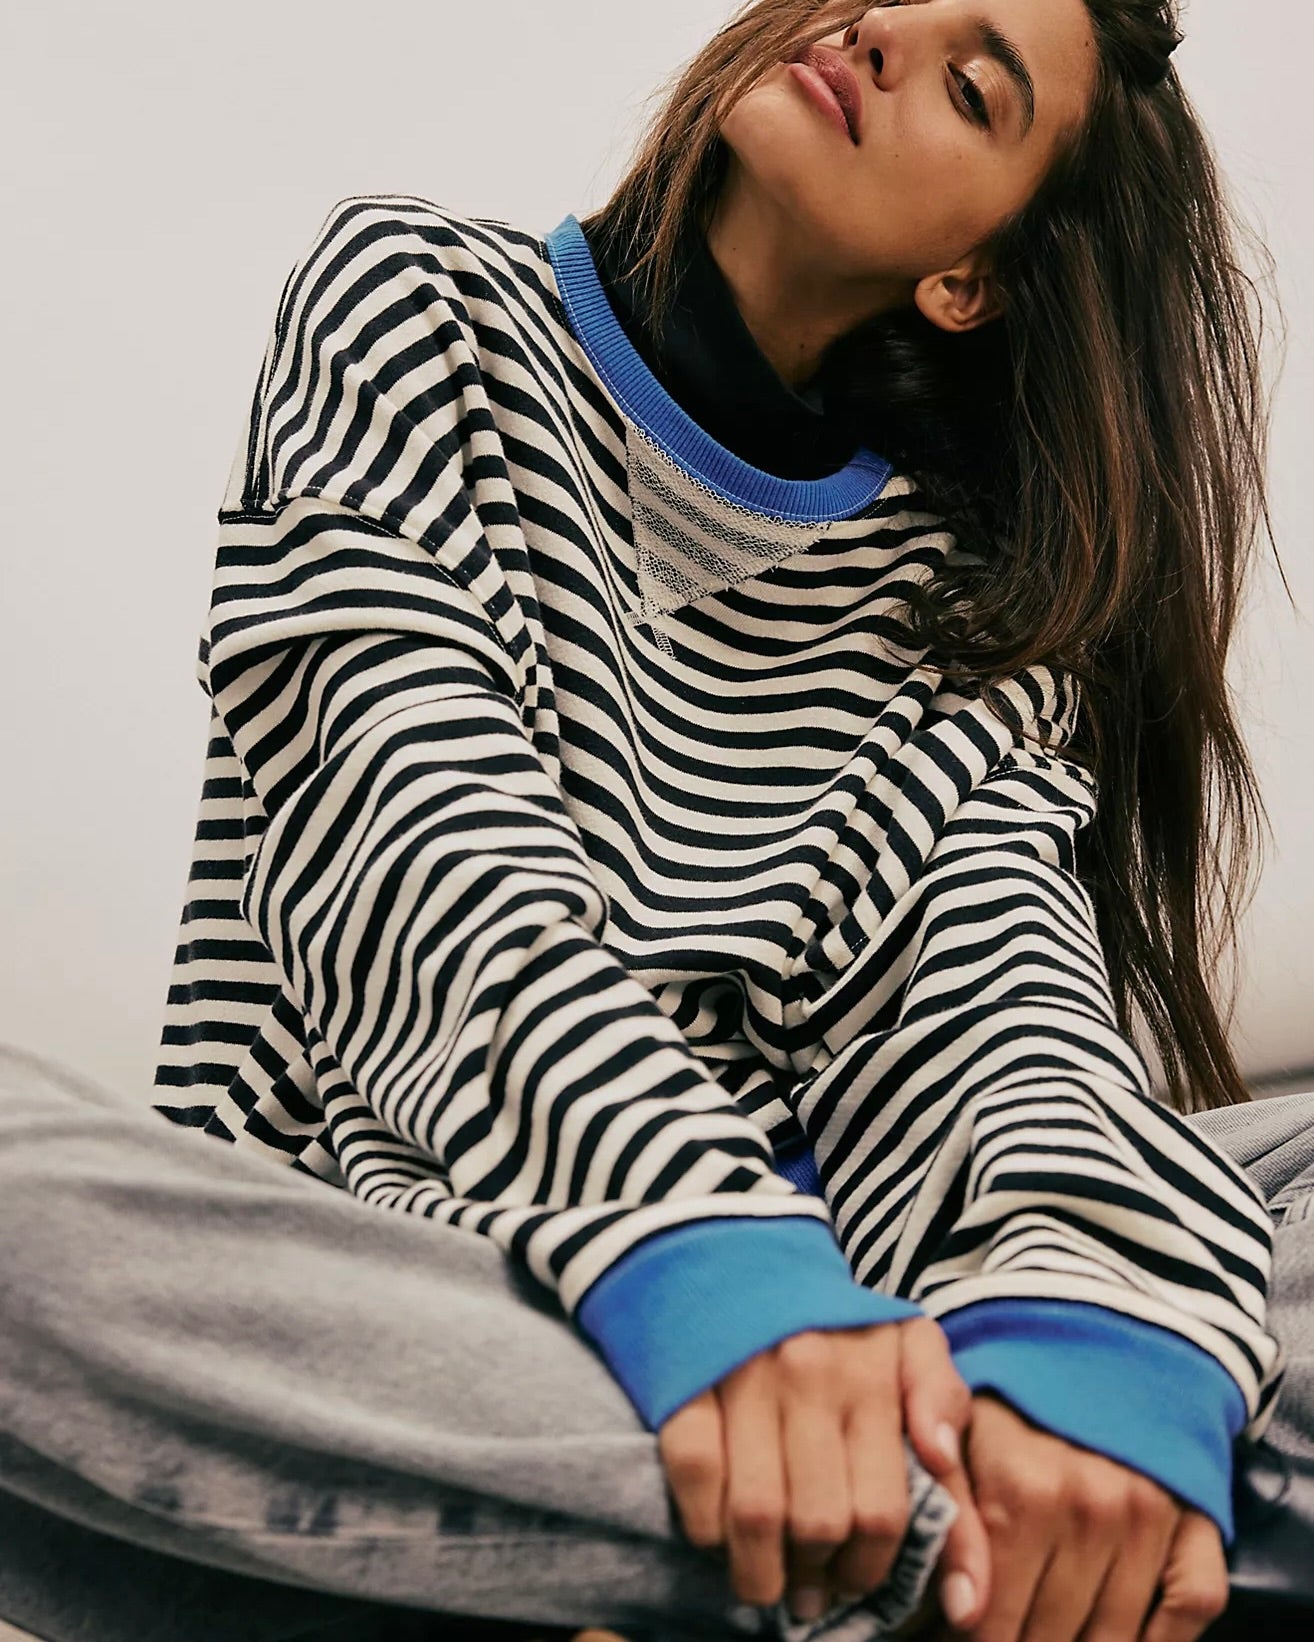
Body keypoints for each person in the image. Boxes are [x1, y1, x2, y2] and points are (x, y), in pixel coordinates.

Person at [0, 2, 1294, 1640]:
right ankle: (950, 1541)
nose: (878, 29)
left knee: (1241, 1181)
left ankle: (877, 1508)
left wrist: (1093, 1322)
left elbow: (998, 1021)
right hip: (413, 1320)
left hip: (830, 1323)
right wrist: (716, 1271)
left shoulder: (968, 605)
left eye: (968, 84)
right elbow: (426, 866)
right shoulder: (416, 311)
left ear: (968, 280)